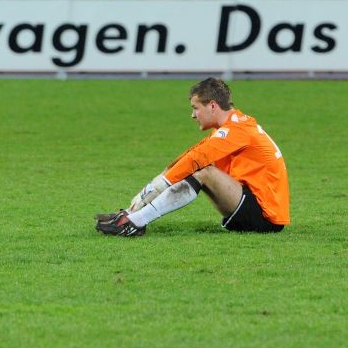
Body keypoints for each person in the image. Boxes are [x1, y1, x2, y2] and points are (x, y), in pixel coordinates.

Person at [95, 78, 290, 237]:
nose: (193, 115)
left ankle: (135, 223)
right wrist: (145, 194)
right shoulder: (231, 127)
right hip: (251, 204)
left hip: (265, 217)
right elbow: (191, 155)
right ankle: (132, 215)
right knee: (193, 166)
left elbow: (197, 159)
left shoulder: (237, 130)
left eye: (196, 108)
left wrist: (159, 185)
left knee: (203, 170)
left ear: (212, 106)